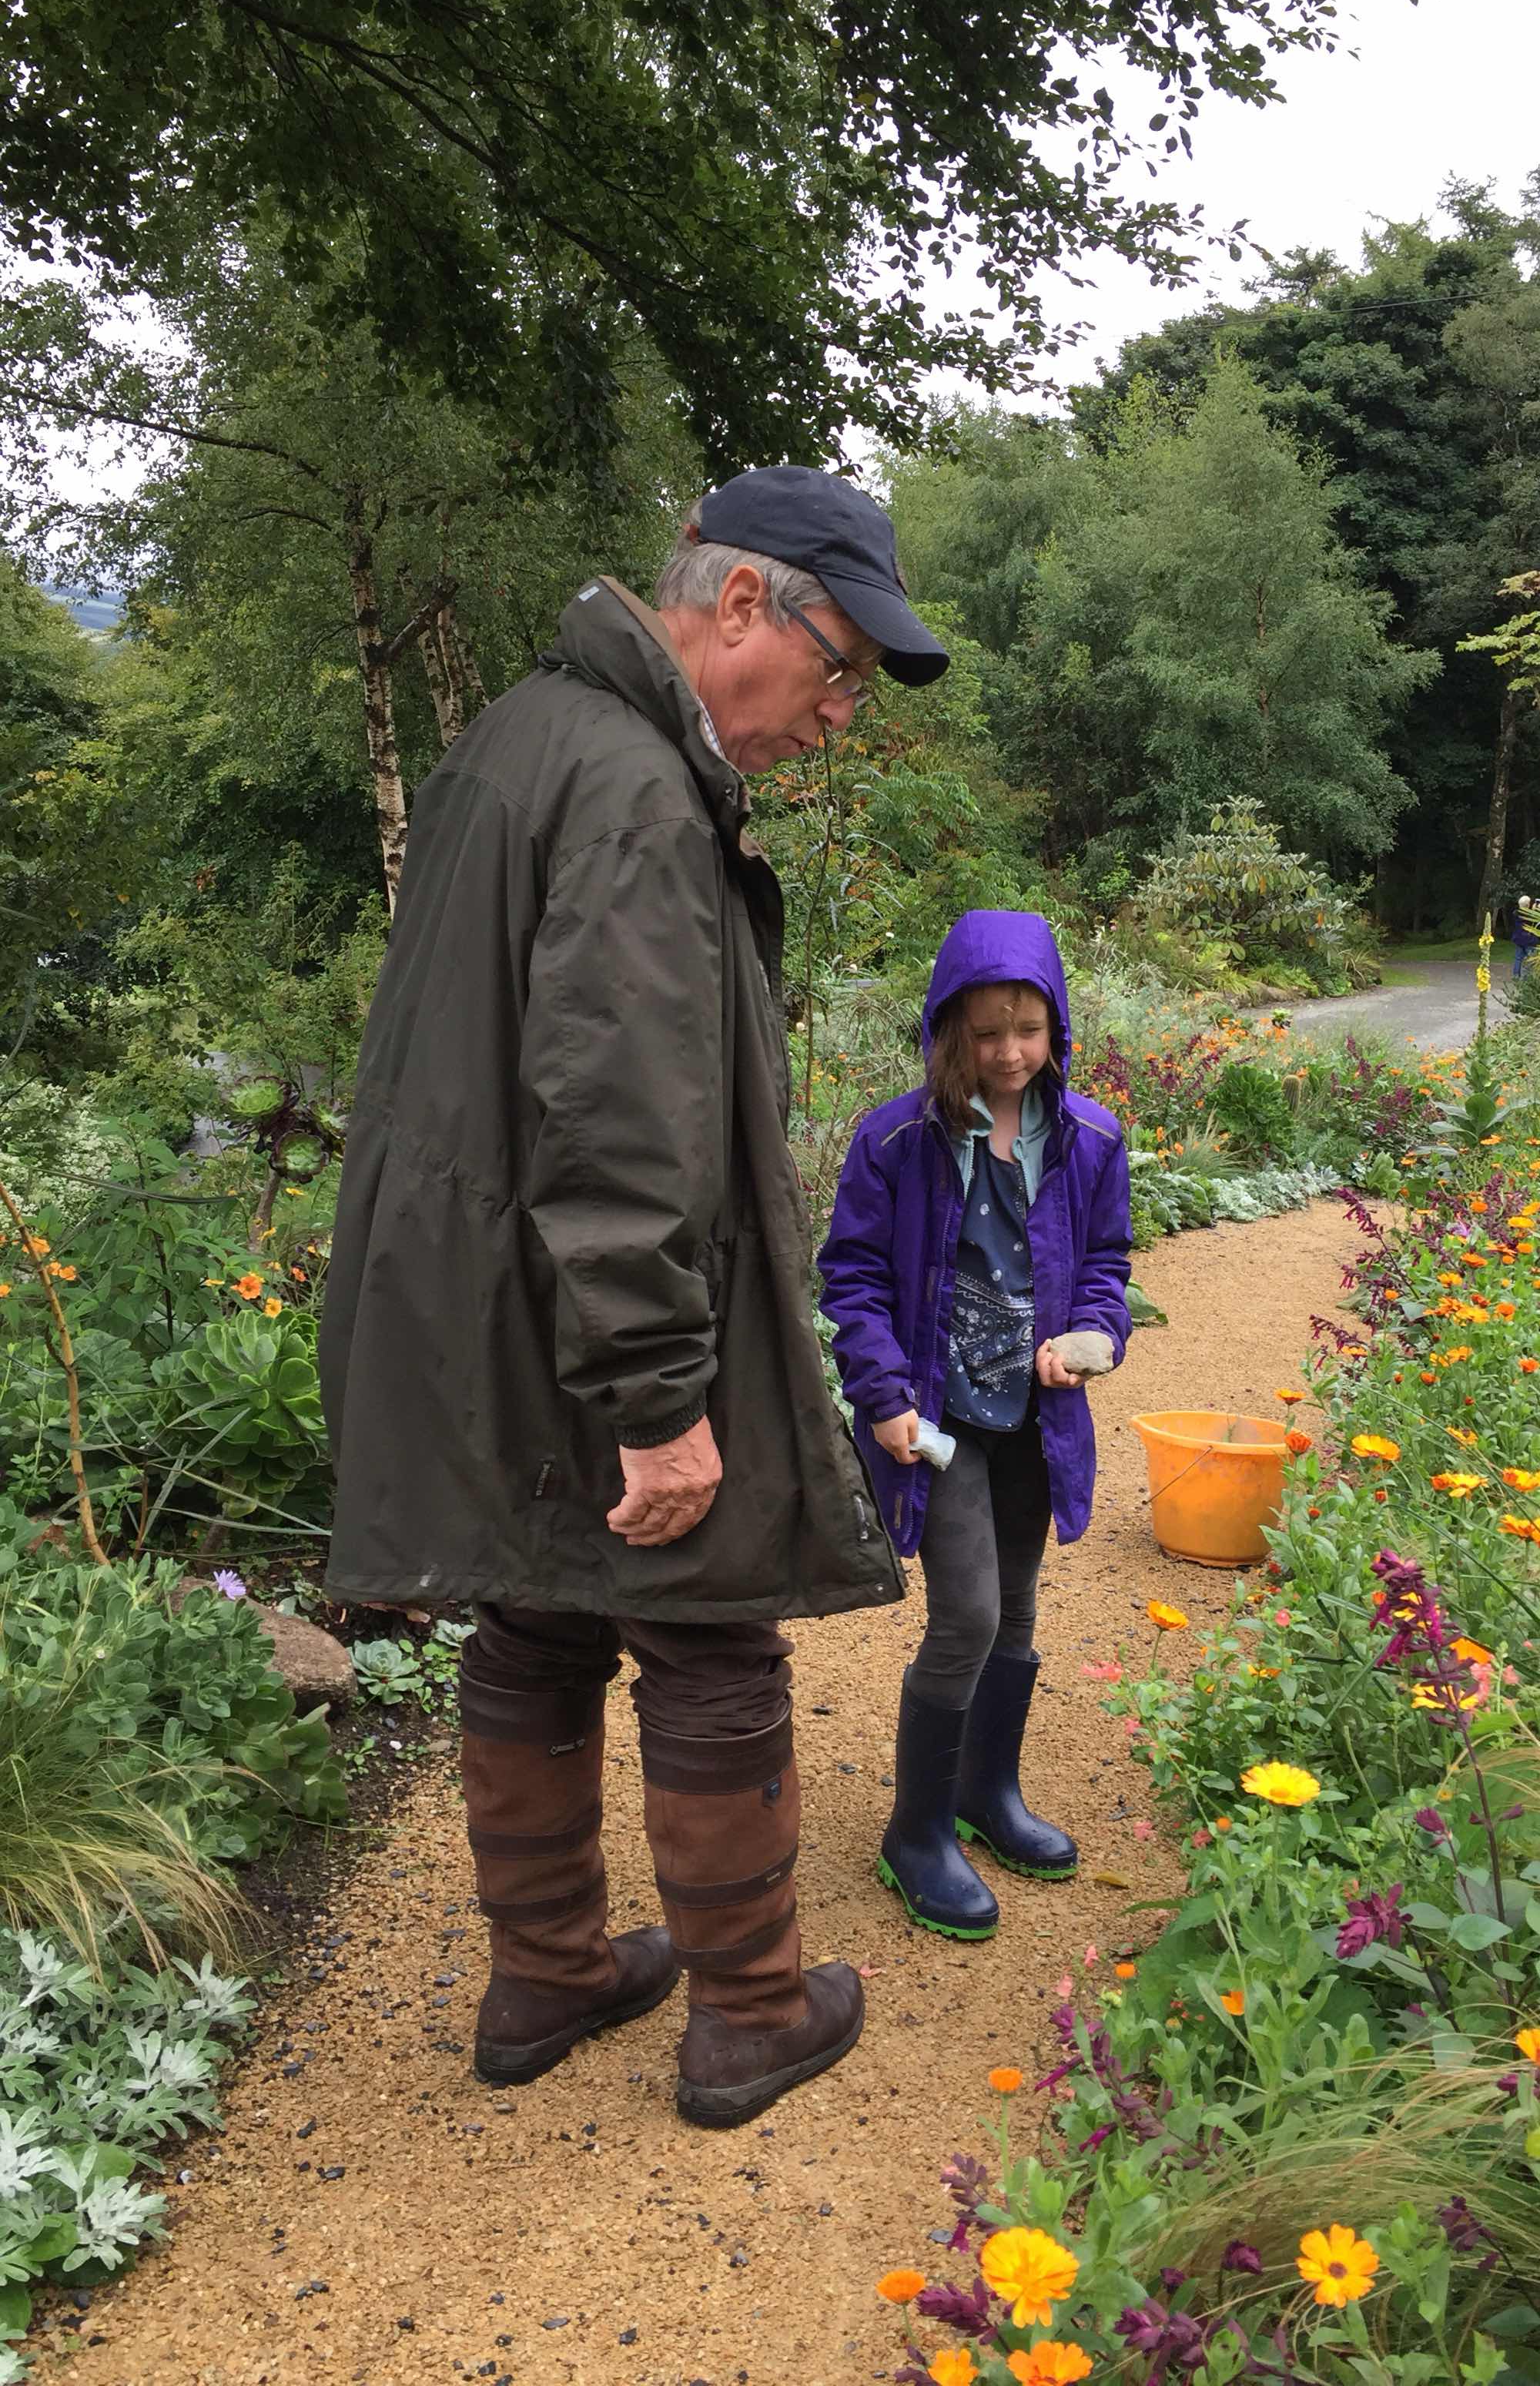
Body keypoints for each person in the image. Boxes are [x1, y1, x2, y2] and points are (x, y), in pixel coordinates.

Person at [318, 468, 950, 2126]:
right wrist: (662, 1396)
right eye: (839, 669)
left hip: (487, 1291)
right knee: (705, 1618)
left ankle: (548, 1972)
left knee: (536, 1607)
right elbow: (613, 1120)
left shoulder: (521, 737)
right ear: (740, 603)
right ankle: (750, 2009)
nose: (837, 715)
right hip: (587, 1298)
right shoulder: (640, 791)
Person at [818, 912, 1133, 1939]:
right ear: (948, 1028)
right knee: (967, 1616)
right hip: (937, 1420)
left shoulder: (1091, 1139)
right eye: (986, 1032)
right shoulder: (895, 1142)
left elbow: (1107, 1264)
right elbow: (853, 1278)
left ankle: (986, 1793)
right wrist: (883, 1395)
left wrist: (1095, 1334)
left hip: (1034, 1420)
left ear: (1057, 1028)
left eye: (1028, 1030)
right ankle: (916, 1831)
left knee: (1018, 1607)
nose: (1007, 1053)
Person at [1512, 893, 1539, 979]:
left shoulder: (1516, 913)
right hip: (1529, 940)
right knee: (1531, 959)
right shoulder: (1529, 915)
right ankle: (1527, 977)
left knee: (1518, 958)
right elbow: (1535, 919)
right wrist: (1538, 910)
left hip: (1519, 939)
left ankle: (1516, 976)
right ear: (1528, 905)